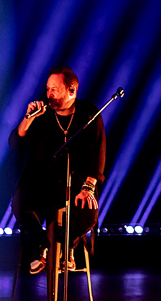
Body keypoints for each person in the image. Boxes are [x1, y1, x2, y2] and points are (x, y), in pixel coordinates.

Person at [8, 66, 104, 281]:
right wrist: (28, 117)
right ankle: (43, 246)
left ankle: (67, 246)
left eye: (55, 89)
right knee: (19, 202)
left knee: (88, 212)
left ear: (72, 90)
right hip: (42, 183)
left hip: (76, 184)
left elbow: (98, 153)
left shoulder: (89, 113)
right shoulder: (42, 115)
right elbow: (15, 142)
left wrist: (88, 188)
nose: (49, 94)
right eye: (48, 89)